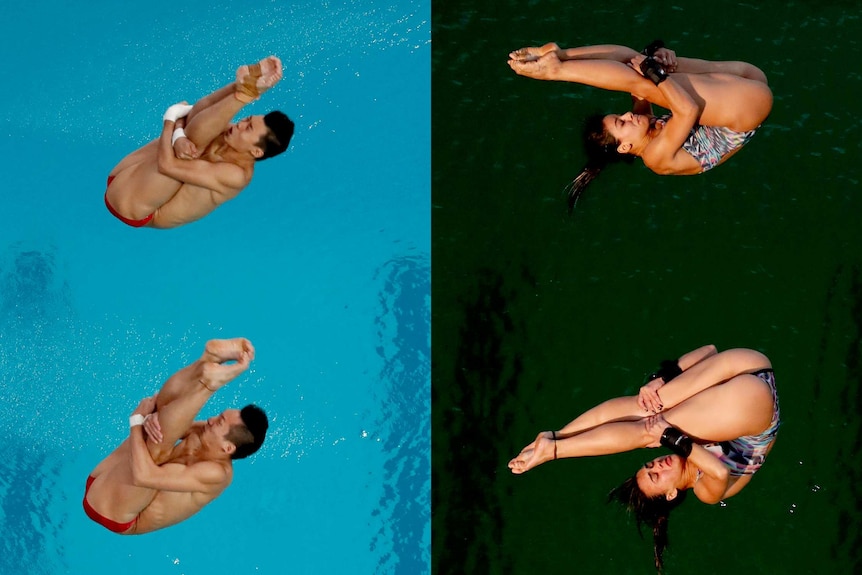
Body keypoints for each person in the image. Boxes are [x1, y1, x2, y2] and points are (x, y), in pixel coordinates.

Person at [508, 345, 780, 571]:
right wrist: (669, 436)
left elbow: (709, 350)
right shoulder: (703, 490)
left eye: (649, 466)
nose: (657, 465)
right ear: (671, 494)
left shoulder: (691, 438)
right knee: (651, 431)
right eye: (656, 476)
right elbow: (719, 473)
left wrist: (660, 379)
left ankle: (557, 437)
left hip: (748, 368)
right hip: (756, 399)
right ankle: (553, 449)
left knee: (646, 408)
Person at [507, 42, 773, 210]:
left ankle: (559, 54)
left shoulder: (643, 126)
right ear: (625, 147)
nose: (627, 115)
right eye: (621, 123)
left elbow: (629, 62)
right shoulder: (656, 159)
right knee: (644, 80)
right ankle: (555, 71)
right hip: (746, 110)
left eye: (620, 116)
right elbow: (687, 110)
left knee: (640, 68)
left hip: (749, 77)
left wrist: (656, 57)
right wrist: (654, 73)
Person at [83, 338, 268, 535]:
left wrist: (136, 421)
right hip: (102, 478)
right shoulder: (207, 433)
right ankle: (206, 361)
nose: (211, 419)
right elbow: (169, 417)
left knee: (158, 446)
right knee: (159, 418)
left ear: (227, 448)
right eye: (219, 415)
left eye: (219, 422)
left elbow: (143, 476)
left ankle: (208, 386)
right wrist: (149, 418)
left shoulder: (216, 473)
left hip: (115, 514)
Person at [105, 56, 295, 228]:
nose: (239, 125)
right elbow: (194, 108)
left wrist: (171, 122)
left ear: (256, 152)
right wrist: (178, 132)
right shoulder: (226, 132)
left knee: (193, 142)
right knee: (196, 126)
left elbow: (166, 165)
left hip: (135, 207)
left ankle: (245, 95)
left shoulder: (235, 175)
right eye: (246, 120)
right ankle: (240, 88)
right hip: (126, 173)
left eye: (248, 128)